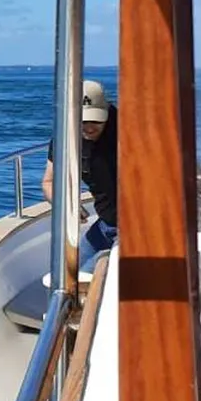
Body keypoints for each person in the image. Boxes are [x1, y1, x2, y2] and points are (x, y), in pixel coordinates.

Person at [41, 79, 118, 265]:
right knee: (70, 268)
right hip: (107, 224)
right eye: (83, 121)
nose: (90, 127)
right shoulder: (65, 135)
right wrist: (67, 206)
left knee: (94, 274)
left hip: (141, 227)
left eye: (96, 120)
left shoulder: (127, 128)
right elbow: (49, 182)